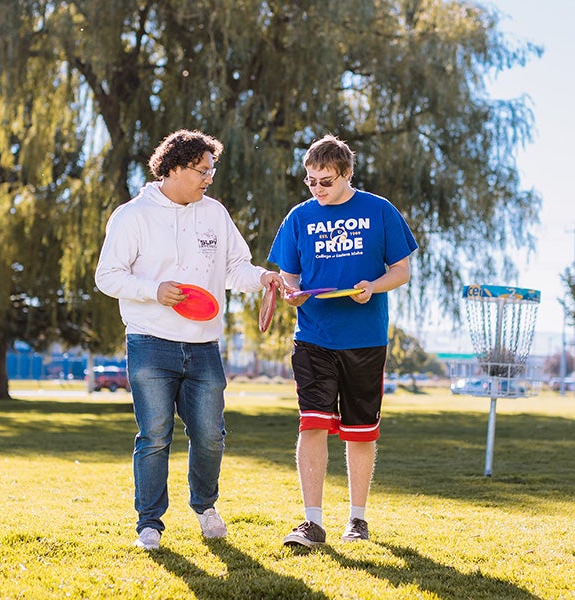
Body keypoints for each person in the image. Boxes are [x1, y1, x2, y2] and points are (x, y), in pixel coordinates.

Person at [95, 129, 283, 550]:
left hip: (204, 347)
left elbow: (236, 268)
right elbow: (106, 276)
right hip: (150, 343)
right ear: (175, 168)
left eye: (211, 170)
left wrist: (264, 278)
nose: (208, 178)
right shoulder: (132, 216)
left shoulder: (214, 213)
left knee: (211, 435)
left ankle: (205, 506)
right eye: (203, 170)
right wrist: (153, 290)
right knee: (155, 435)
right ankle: (149, 523)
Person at [268, 134, 417, 548]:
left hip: (365, 338)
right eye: (311, 181)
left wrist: (373, 286)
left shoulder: (379, 210)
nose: (317, 189)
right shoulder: (299, 217)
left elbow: (401, 271)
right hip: (313, 335)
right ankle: (311, 523)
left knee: (360, 431)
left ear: (347, 174)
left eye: (326, 181)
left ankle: (357, 519)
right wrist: (290, 290)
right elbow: (290, 275)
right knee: (312, 425)